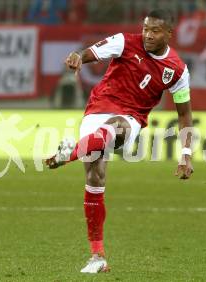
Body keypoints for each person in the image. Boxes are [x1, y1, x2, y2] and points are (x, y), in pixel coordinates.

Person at [45, 9, 194, 273]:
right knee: (95, 176)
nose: (148, 34)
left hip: (132, 117)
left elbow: (184, 115)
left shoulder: (178, 71)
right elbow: (90, 52)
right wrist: (78, 57)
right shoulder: (126, 42)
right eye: (146, 28)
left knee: (119, 128)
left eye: (155, 30)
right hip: (98, 108)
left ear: (169, 34)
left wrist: (186, 154)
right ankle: (97, 257)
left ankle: (68, 154)